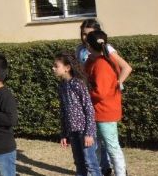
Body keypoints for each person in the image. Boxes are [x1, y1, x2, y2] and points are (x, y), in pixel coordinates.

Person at [85, 31, 127, 176]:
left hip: (104, 112)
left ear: (89, 46)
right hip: (99, 111)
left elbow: (100, 92)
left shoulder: (102, 64)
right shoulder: (97, 61)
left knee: (111, 147)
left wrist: (85, 95)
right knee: (95, 146)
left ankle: (121, 173)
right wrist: (89, 60)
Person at [53, 51, 101, 176]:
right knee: (79, 163)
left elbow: (89, 109)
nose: (53, 68)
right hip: (73, 132)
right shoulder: (62, 86)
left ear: (67, 68)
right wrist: (64, 134)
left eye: (56, 66)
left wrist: (89, 133)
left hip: (85, 132)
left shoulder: (78, 84)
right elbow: (63, 111)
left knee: (90, 163)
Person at [76, 19, 132, 90]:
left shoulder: (106, 48)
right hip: (88, 90)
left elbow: (126, 68)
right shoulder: (80, 49)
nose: (86, 37)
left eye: (90, 34)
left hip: (104, 90)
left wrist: (116, 85)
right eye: (84, 34)